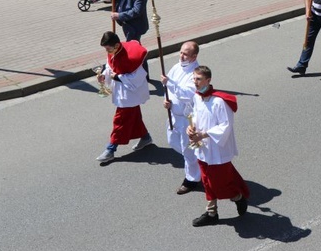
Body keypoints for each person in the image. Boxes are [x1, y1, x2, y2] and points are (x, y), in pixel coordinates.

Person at [187, 66, 250, 226]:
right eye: (194, 78)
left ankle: (238, 197)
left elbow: (225, 126)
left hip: (217, 150)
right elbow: (194, 115)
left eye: (199, 79)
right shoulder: (197, 97)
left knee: (219, 184)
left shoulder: (219, 102)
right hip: (202, 147)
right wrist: (191, 127)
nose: (195, 82)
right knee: (206, 181)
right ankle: (211, 213)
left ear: (208, 80)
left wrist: (203, 134)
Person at [95, 31, 153, 163]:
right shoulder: (113, 52)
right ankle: (145, 137)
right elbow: (110, 67)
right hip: (122, 93)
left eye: (108, 48)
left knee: (120, 122)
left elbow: (137, 77)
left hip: (130, 95)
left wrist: (117, 77)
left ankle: (110, 149)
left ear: (116, 45)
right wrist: (104, 75)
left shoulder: (134, 58)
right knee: (135, 118)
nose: (107, 51)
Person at [161, 41, 201, 195]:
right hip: (173, 115)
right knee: (173, 142)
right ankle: (199, 164)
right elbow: (168, 89)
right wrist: (167, 101)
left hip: (187, 118)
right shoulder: (176, 67)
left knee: (188, 150)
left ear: (194, 56)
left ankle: (191, 179)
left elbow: (186, 94)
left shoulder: (196, 73)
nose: (182, 56)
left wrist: (169, 85)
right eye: (181, 52)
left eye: (185, 54)